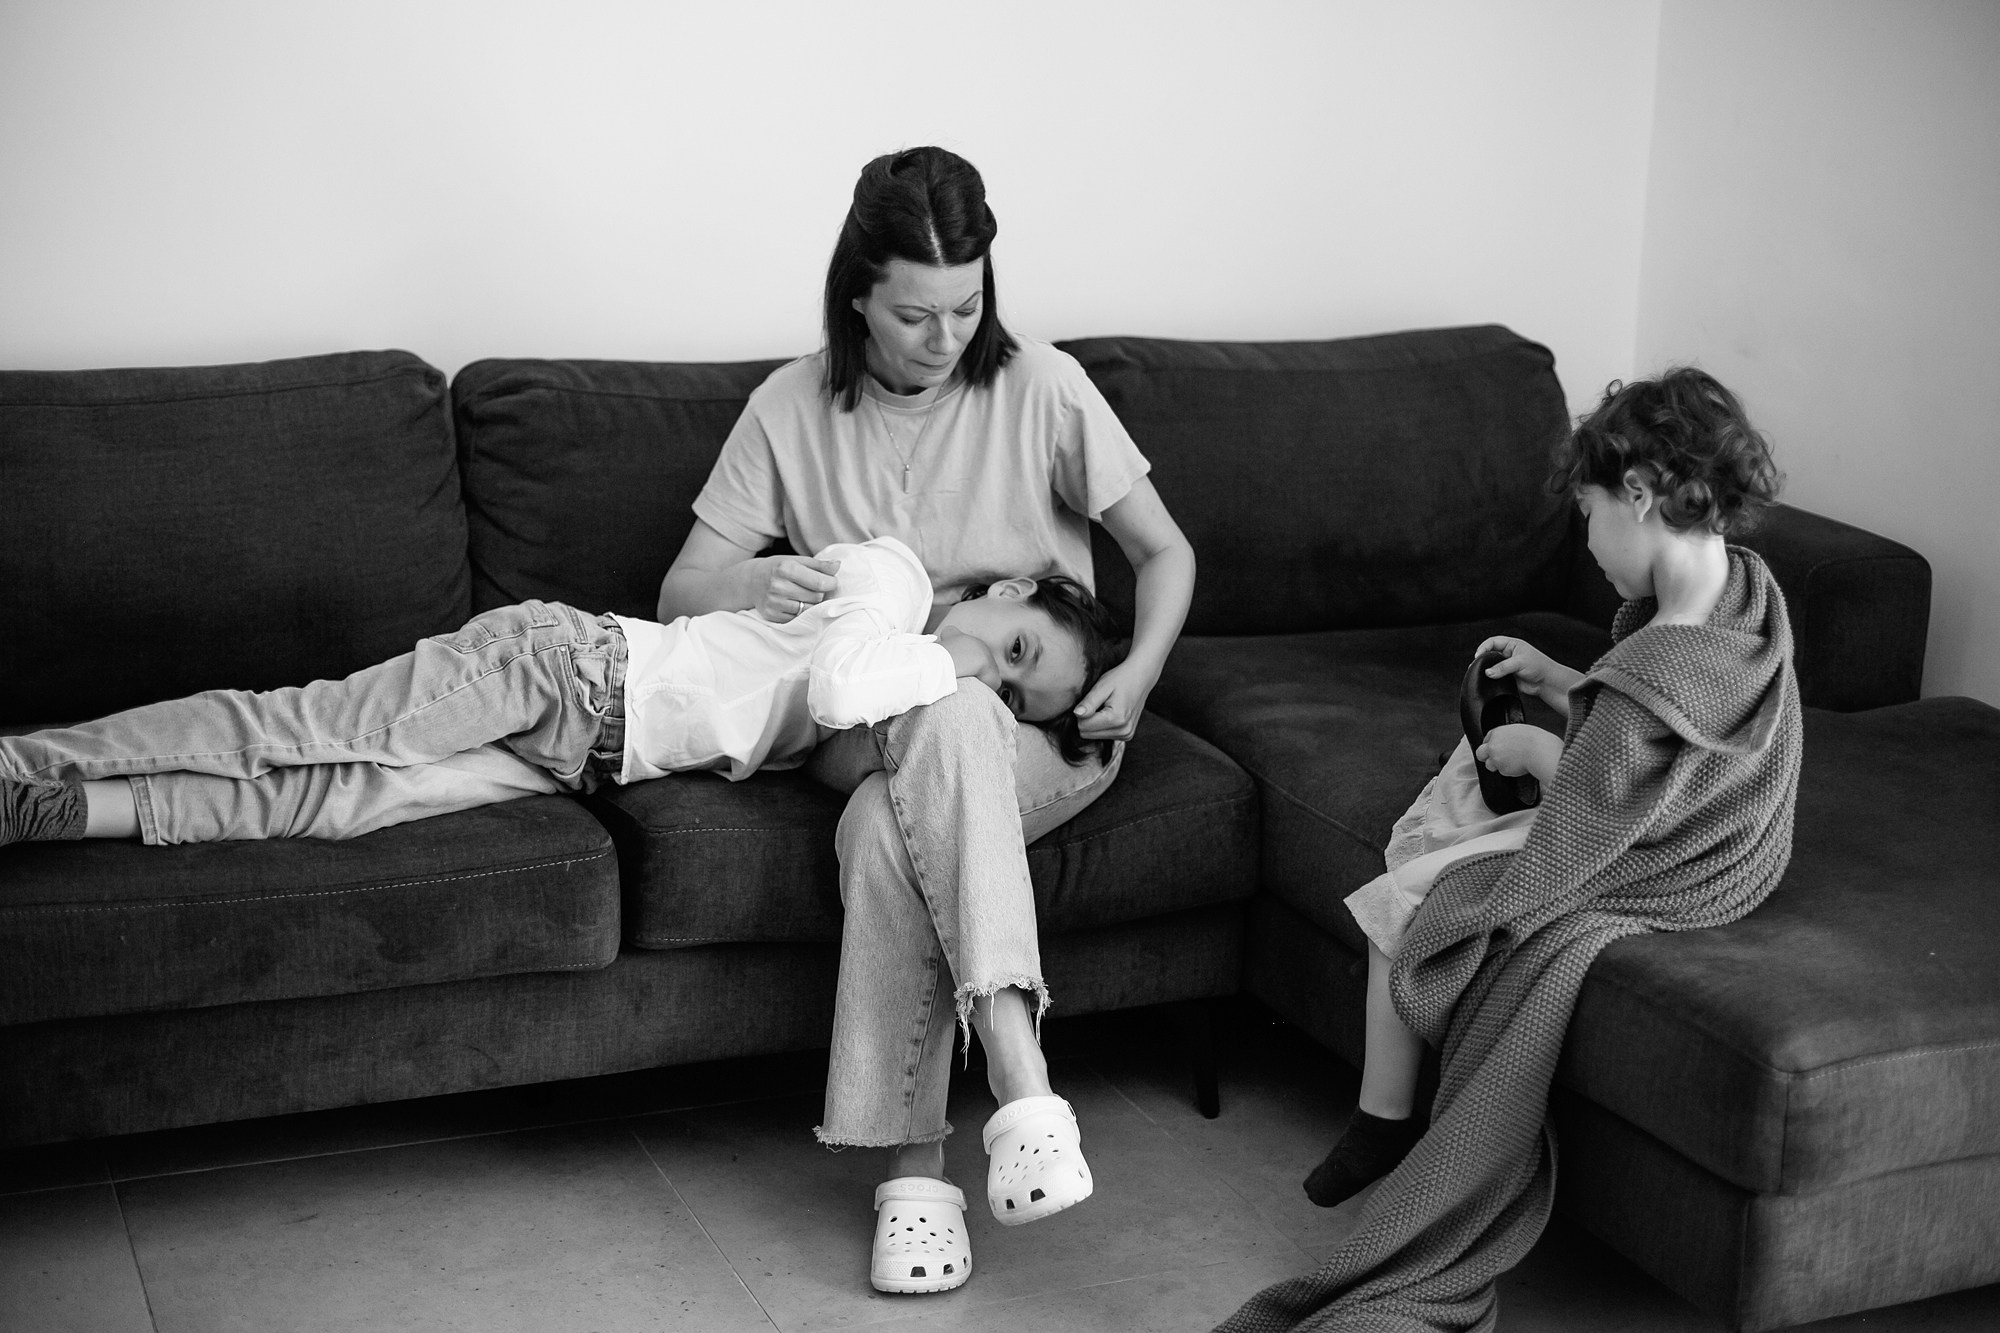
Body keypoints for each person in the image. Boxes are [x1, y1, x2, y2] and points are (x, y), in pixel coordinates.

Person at [655, 146, 1195, 1294]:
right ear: (856, 294)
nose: (946, 336)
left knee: (882, 831)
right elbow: (679, 592)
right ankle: (1019, 1076)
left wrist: (1141, 673)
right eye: (914, 314)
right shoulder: (789, 407)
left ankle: (915, 1183)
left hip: (1037, 720)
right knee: (939, 713)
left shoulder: (1042, 386)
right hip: (866, 716)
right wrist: (757, 580)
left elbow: (1163, 551)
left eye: (966, 306)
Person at [1223, 368, 1802, 1332]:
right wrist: (1558, 676)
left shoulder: (1663, 652)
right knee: (1452, 827)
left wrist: (1538, 746)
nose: (1587, 543)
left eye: (1587, 515)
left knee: (1403, 902)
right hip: (1714, 837)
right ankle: (1384, 1103)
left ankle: (1382, 1118)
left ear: (1638, 495)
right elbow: (1649, 733)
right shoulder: (1742, 593)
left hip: (1647, 852)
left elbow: (1605, 788)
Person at [0, 537, 1118, 848]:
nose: (995, 677)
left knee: (337, 802)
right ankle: (22, 761)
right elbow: (833, 686)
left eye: (1017, 696)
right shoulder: (894, 583)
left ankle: (61, 810)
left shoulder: (907, 684)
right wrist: (964, 669)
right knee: (295, 731)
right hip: (564, 667)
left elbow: (842, 736)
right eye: (1017, 647)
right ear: (1006, 589)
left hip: (582, 757)